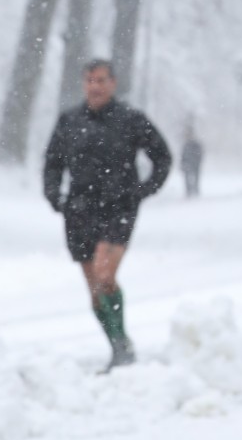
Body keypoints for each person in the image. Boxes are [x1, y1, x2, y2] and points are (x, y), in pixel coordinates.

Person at [43, 58, 171, 370]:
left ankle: (121, 347)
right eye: (90, 81)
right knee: (94, 288)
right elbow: (53, 163)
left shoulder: (131, 119)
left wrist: (144, 189)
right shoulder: (69, 121)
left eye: (101, 80)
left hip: (118, 208)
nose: (95, 87)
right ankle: (118, 343)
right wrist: (55, 196)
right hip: (79, 211)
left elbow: (162, 157)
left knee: (105, 275)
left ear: (113, 83)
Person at [180, 125, 204, 198]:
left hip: (195, 164)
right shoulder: (186, 144)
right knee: (187, 178)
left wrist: (197, 162)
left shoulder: (196, 144)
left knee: (196, 178)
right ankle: (189, 192)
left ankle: (195, 191)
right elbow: (183, 155)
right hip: (188, 164)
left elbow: (199, 154)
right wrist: (183, 163)